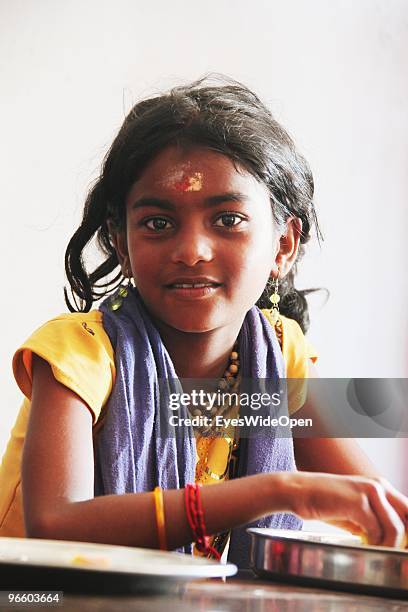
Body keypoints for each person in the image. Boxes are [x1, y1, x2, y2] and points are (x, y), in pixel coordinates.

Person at [1, 77, 407, 568]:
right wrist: (275, 490)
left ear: (283, 244)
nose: (191, 250)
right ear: (122, 244)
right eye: (157, 223)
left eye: (227, 220)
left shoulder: (281, 352)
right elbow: (56, 525)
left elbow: (376, 509)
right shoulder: (77, 355)